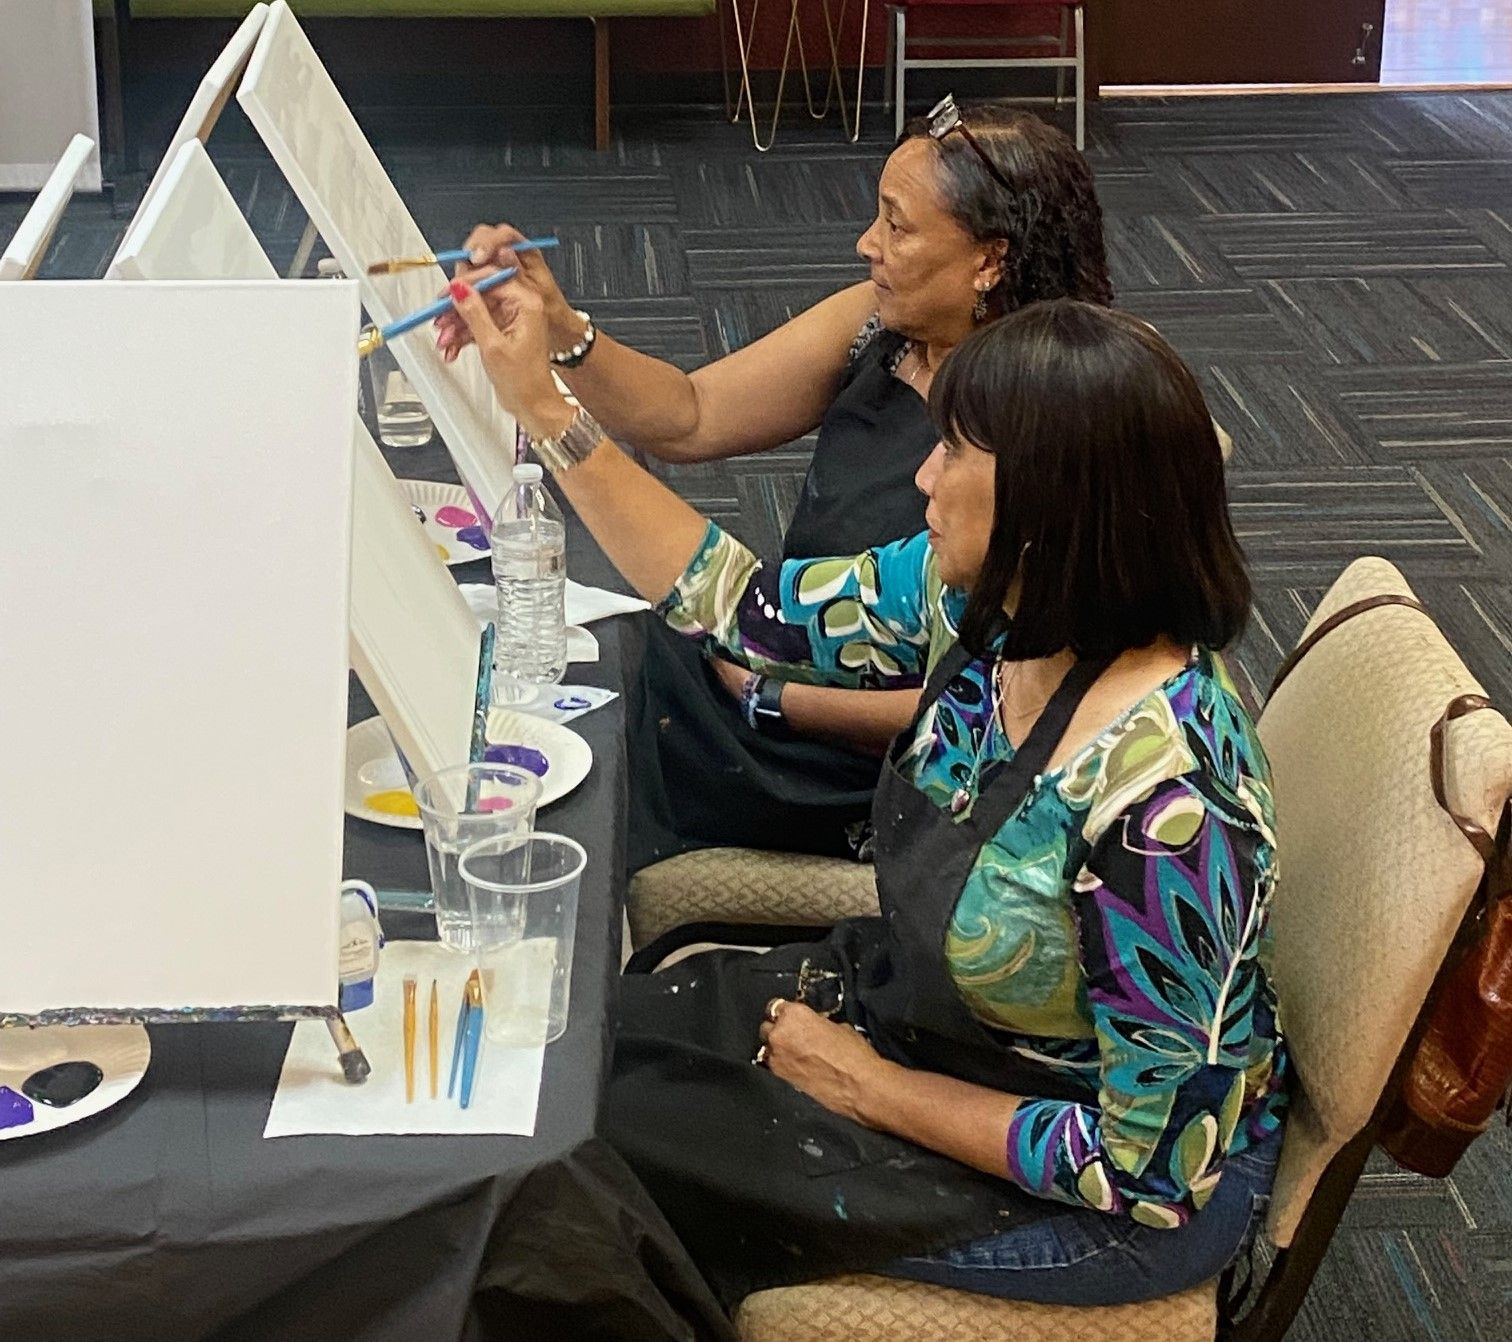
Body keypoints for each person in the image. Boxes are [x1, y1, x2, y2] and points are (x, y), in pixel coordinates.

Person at [445, 280, 1288, 1318]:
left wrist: (865, 1086)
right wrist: (548, 411)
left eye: (956, 453)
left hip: (1088, 1197)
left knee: (577, 1167)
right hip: (938, 1025)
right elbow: (743, 611)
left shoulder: (1171, 806)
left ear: (1049, 504)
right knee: (572, 1064)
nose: (924, 476)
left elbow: (1147, 1170)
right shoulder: (983, 603)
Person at [439, 96, 1115, 868]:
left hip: (857, 758)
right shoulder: (890, 332)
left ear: (990, 260)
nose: (868, 243)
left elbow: (968, 705)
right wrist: (563, 329)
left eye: (897, 226)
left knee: (603, 726)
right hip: (794, 643)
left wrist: (773, 695)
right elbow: (691, 419)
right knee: (613, 657)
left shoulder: (1033, 452)